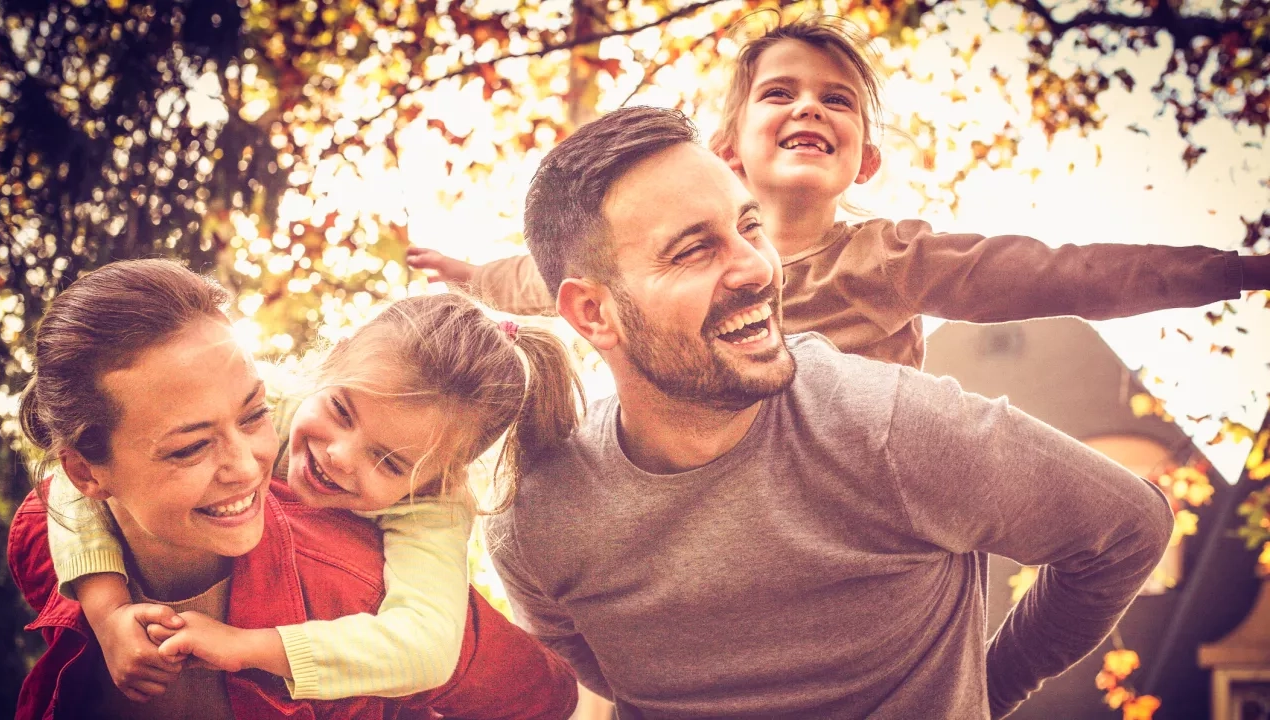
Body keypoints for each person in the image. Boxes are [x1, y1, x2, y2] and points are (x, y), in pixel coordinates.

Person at [484, 106, 1175, 719]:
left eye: (749, 225)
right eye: (695, 249)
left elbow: (1127, 531)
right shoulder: (538, 524)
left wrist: (989, 691)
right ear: (593, 312)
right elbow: (590, 687)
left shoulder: (887, 429)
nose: (756, 267)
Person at [407, 16, 1269, 369]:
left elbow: (1063, 272)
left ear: (864, 162)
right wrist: (466, 273)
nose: (808, 106)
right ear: (726, 150)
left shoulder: (889, 258)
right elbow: (549, 278)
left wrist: (1231, 272)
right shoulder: (671, 259)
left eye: (837, 101)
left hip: (867, 500)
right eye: (778, 94)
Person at [10, 258, 578, 719]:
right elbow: (62, 491)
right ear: (327, 368)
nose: (337, 457)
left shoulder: (425, 515)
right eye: (340, 411)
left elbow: (433, 650)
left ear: (435, 480)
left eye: (387, 462)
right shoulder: (266, 398)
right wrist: (108, 611)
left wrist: (245, 647)